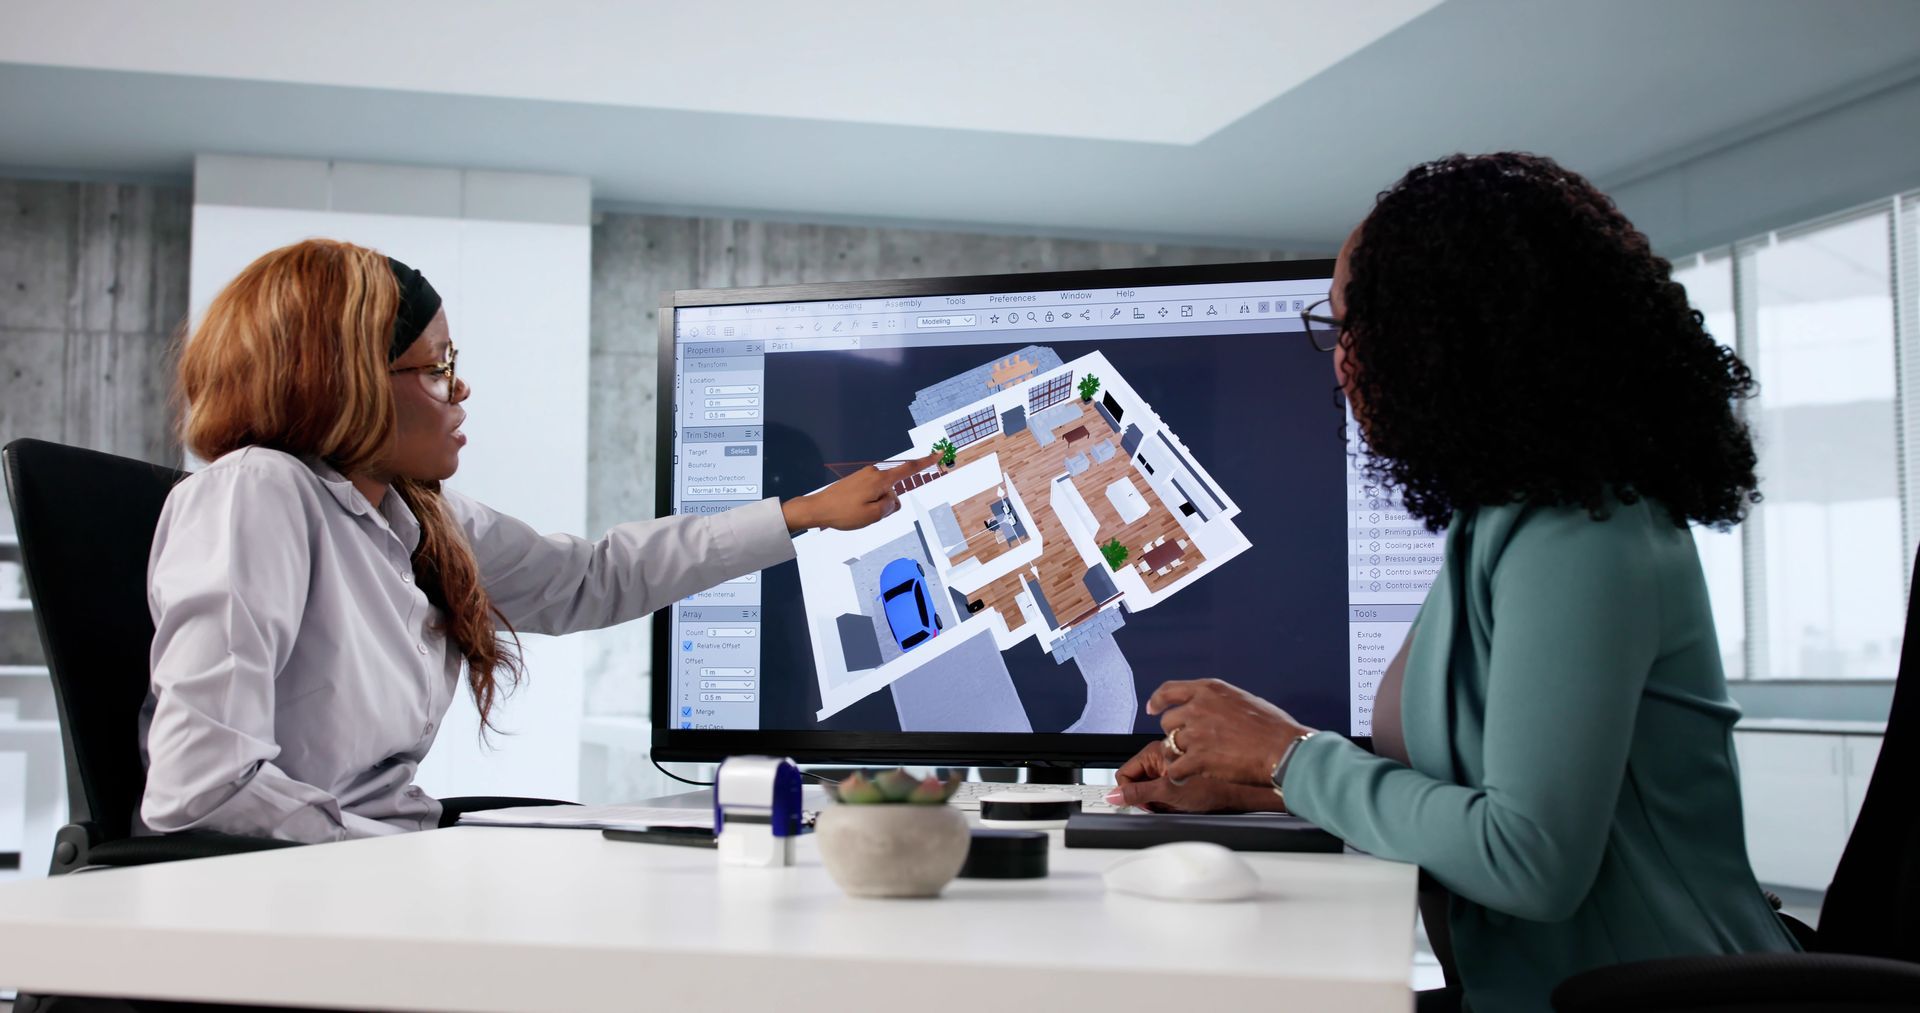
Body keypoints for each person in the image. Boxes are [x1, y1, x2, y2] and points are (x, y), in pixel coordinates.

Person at [1108, 153, 1798, 1013]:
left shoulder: (1584, 531)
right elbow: (1470, 792)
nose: (1338, 361)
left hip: (1652, 999)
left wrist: (1289, 756)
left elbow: (1527, 858)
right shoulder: (1502, 520)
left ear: (1441, 336)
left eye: (1348, 326)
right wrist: (1263, 777)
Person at [138, 238, 930, 843]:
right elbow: (204, 783)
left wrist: (801, 515)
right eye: (439, 365)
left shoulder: (418, 520)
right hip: (305, 895)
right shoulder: (257, 492)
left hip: (374, 863)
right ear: (344, 379)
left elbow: (591, 577)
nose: (462, 387)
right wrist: (391, 853)